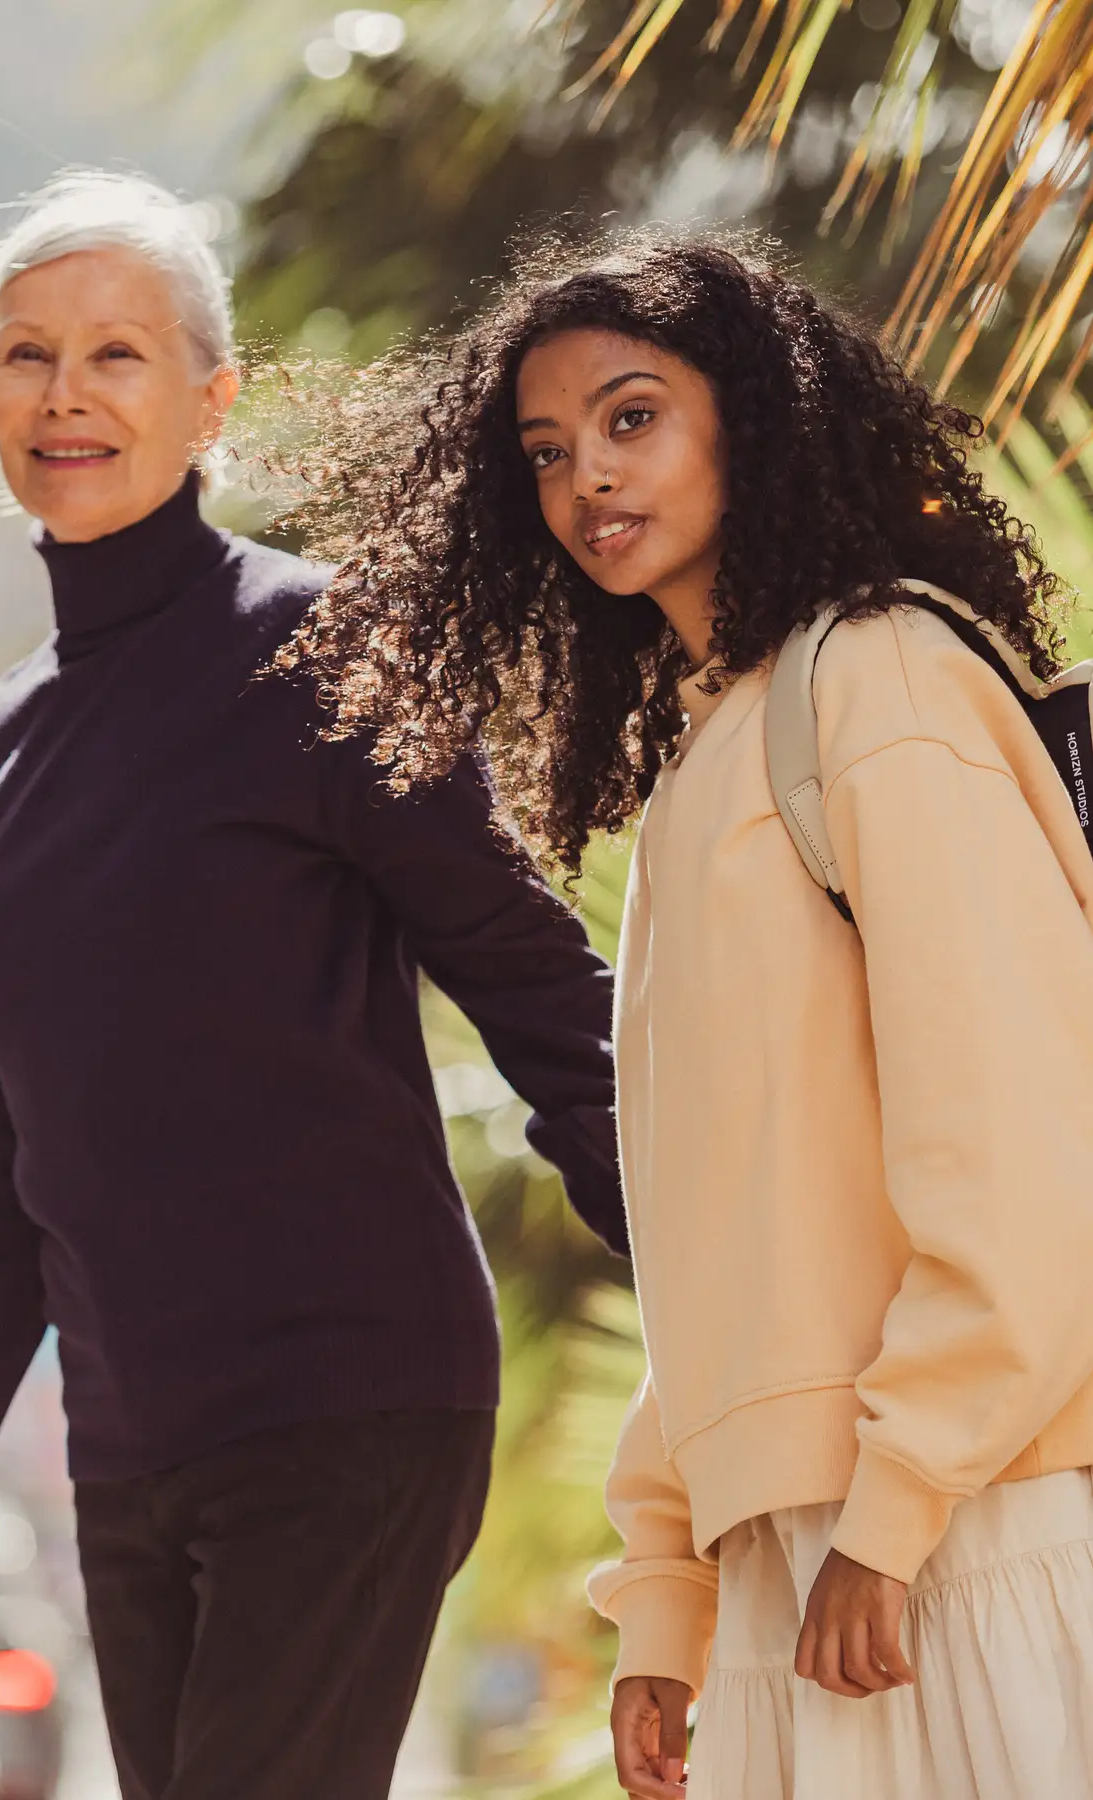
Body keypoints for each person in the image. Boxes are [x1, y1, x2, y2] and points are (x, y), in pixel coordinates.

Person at [0, 171, 627, 1800]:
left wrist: (731, 1306)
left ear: (209, 400)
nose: (66, 394)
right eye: (27, 355)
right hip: (132, 1452)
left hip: (349, 1397)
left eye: (117, 353)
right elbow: (12, 1164)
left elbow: (545, 999)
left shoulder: (327, 651)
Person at [279, 232, 1093, 1799]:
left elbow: (1017, 1137)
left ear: (755, 416)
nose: (586, 473)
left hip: (969, 1534)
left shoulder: (879, 682)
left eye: (631, 416)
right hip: (817, 1565)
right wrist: (665, 1585)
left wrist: (901, 1498)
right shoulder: (710, 758)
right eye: (546, 450)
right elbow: (724, 1234)